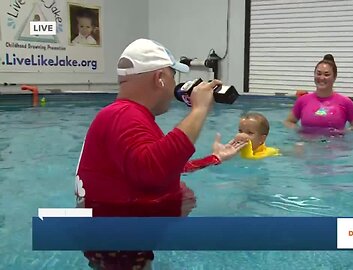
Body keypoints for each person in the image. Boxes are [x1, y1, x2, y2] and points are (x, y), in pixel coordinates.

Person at [74, 38, 247, 270]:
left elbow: (153, 165)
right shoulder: (125, 116)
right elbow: (154, 170)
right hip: (120, 245)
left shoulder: (122, 116)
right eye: (172, 75)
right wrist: (199, 109)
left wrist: (214, 158)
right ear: (160, 79)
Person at [284, 54, 353, 134]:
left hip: (335, 144)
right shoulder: (302, 101)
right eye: (318, 73)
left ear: (334, 77)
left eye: (326, 74)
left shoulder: (346, 103)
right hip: (308, 143)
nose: (321, 78)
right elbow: (289, 122)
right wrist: (300, 131)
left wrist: (343, 132)